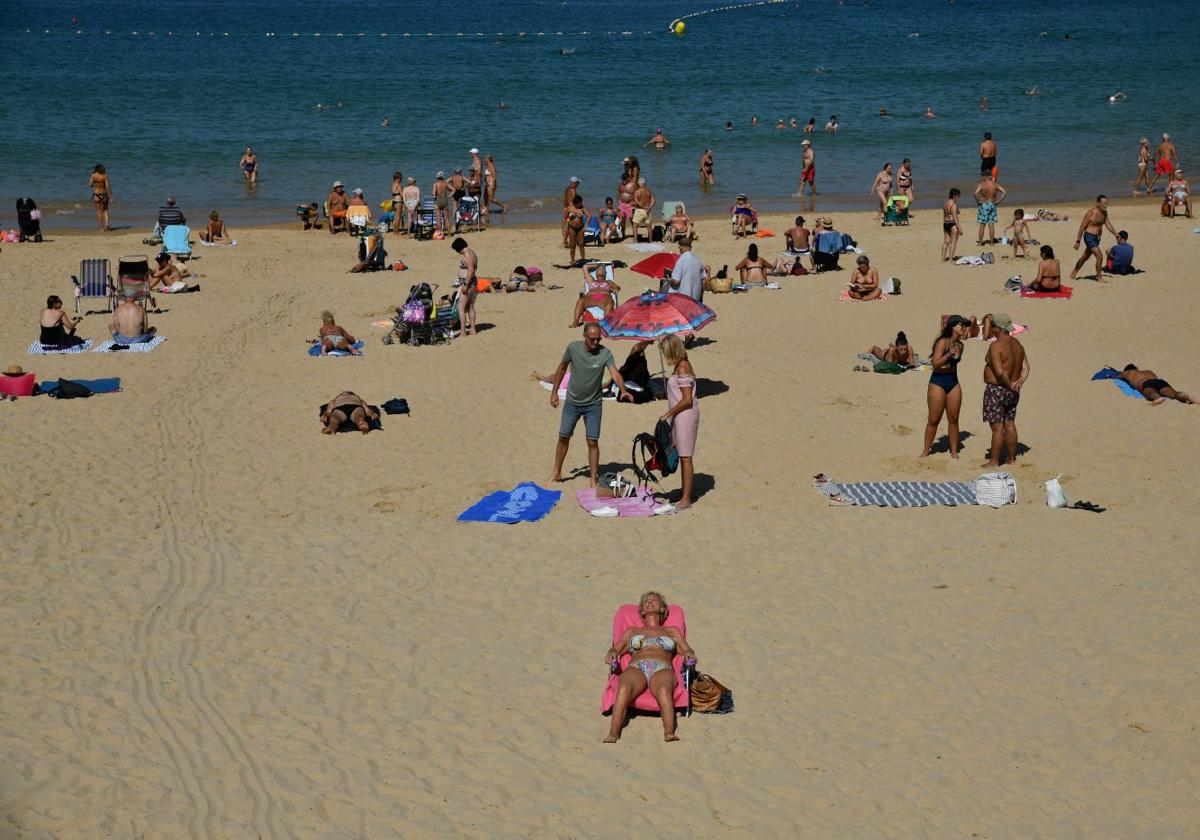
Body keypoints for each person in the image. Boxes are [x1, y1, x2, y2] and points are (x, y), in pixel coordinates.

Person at [548, 324, 633, 489]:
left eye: (598, 339)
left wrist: (623, 390)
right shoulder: (573, 348)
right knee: (563, 437)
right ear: (584, 336)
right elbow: (562, 367)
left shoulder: (605, 353)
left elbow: (614, 372)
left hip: (593, 405)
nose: (595, 342)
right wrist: (554, 392)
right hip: (572, 402)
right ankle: (557, 471)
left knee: (592, 441)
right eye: (592, 339)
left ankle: (593, 478)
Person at [603, 591, 695, 743]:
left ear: (662, 609)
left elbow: (686, 650)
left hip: (662, 668)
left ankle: (669, 733)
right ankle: (613, 733)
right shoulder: (632, 631)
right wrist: (612, 652)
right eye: (646, 601)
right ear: (642, 611)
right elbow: (617, 648)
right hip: (636, 667)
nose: (650, 601)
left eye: (654, 600)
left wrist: (689, 654)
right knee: (624, 686)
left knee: (664, 689)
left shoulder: (672, 631)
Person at [981, 313, 1029, 467]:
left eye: (993, 326)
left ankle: (994, 461)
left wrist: (1008, 384)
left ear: (998, 328)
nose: (992, 328)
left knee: (997, 427)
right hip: (1013, 391)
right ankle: (1011, 459)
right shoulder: (1018, 345)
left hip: (998, 389)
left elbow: (1000, 372)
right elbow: (1026, 368)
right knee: (1010, 424)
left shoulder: (996, 346)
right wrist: (1019, 382)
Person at [658, 335, 699, 510]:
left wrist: (668, 414)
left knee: (685, 456)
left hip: (685, 415)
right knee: (682, 454)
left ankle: (686, 499)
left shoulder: (682, 367)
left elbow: (687, 399)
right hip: (679, 415)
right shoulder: (680, 365)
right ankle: (684, 492)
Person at [920, 315, 969, 458]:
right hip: (938, 382)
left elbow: (952, 365)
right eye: (961, 325)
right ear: (953, 326)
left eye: (965, 326)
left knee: (953, 419)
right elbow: (935, 364)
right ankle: (925, 451)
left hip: (953, 381)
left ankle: (954, 451)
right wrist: (948, 355)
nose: (964, 328)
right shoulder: (942, 342)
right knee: (934, 420)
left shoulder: (961, 345)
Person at [1070, 195, 1118, 279]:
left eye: (1106, 203)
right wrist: (1078, 241)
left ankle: (1073, 273)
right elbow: (1082, 227)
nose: (1105, 205)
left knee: (1085, 257)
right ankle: (1099, 277)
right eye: (1103, 203)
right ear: (1098, 203)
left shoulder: (1104, 212)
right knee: (1100, 256)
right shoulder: (1091, 213)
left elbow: (1107, 224)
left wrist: (1115, 234)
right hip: (1089, 237)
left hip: (1097, 238)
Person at [571, 262, 620, 327]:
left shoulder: (609, 282)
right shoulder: (591, 280)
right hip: (591, 299)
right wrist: (600, 265)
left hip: (604, 299)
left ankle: (605, 325)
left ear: (605, 273)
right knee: (581, 301)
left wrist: (613, 289)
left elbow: (618, 288)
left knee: (609, 304)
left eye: (603, 270)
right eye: (599, 269)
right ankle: (575, 323)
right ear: (596, 273)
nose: (601, 270)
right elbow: (585, 267)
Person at [1118, 365, 1195, 405]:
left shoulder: (1128, 373)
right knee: (1174, 394)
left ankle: (1157, 398)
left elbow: (1117, 375)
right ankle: (1187, 397)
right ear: (1137, 368)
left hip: (1145, 383)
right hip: (1159, 382)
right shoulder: (1148, 371)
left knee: (1150, 393)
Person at [452, 238, 479, 336]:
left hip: (468, 283)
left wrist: (465, 284)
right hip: (472, 282)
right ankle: (473, 329)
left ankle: (463, 331)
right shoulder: (472, 252)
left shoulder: (467, 254)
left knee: (461, 308)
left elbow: (471, 270)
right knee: (470, 306)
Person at [974, 173, 1007, 245]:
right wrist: (998, 201)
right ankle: (992, 243)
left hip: (983, 204)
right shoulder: (995, 184)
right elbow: (1004, 192)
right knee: (991, 224)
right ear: (991, 177)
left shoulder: (982, 184)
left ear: (986, 176)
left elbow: (975, 193)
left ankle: (980, 243)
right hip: (992, 204)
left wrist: (978, 202)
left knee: (982, 224)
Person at [667, 236, 704, 302]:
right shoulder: (698, 260)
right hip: (695, 298)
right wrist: (701, 297)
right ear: (690, 247)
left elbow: (676, 282)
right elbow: (703, 281)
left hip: (682, 297)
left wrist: (669, 280)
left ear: (680, 247)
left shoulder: (681, 259)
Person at [563, 195, 590, 263]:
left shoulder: (582, 208)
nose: (581, 204)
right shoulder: (569, 208)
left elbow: (589, 216)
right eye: (579, 203)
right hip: (572, 228)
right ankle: (572, 260)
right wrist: (564, 228)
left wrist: (586, 225)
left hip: (580, 228)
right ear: (575, 203)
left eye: (581, 202)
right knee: (572, 245)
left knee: (581, 244)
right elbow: (565, 218)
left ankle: (583, 259)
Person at [631, 178, 655, 243]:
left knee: (635, 225)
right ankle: (650, 241)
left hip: (640, 210)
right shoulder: (649, 191)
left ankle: (635, 241)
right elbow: (653, 201)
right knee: (649, 227)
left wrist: (643, 207)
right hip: (648, 210)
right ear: (645, 183)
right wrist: (649, 208)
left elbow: (636, 201)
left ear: (638, 184)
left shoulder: (637, 191)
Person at [89, 164, 112, 231]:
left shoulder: (93, 175)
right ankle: (107, 226)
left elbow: (90, 185)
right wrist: (110, 195)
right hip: (104, 194)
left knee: (99, 211)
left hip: (96, 194)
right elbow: (107, 186)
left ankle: (102, 228)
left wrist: (95, 184)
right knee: (105, 210)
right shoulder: (105, 175)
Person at [942, 188, 962, 261]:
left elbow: (944, 215)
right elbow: (955, 218)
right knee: (953, 243)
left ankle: (943, 258)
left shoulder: (945, 204)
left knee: (946, 242)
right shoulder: (953, 205)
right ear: (954, 196)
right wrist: (959, 228)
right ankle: (950, 259)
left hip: (946, 223)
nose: (958, 198)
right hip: (952, 224)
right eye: (958, 196)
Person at [562, 176, 581, 245]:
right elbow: (573, 201)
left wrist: (565, 207)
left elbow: (565, 199)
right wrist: (575, 209)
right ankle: (567, 241)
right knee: (571, 225)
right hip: (572, 208)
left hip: (566, 208)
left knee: (567, 224)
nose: (579, 184)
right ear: (575, 183)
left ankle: (565, 241)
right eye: (578, 182)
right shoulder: (573, 190)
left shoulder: (567, 188)